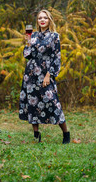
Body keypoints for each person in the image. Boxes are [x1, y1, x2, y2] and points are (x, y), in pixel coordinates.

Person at [19, 9, 70, 144]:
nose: (42, 20)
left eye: (45, 18)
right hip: (31, 74)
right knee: (32, 103)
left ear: (49, 20)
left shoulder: (54, 36)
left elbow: (56, 57)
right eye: (40, 18)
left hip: (46, 73)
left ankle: (66, 133)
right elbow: (27, 55)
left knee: (52, 101)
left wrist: (49, 75)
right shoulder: (33, 36)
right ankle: (36, 135)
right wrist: (27, 42)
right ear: (37, 21)